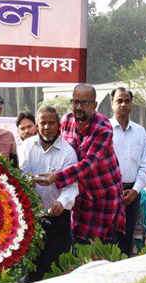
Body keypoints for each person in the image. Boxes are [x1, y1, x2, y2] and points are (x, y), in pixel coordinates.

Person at [37, 84, 125, 245]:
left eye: (84, 103)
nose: (78, 107)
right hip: (79, 194)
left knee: (101, 249)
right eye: (75, 102)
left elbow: (89, 163)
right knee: (78, 245)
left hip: (103, 194)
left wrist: (57, 177)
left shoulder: (103, 128)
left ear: (94, 105)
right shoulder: (66, 120)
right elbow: (56, 147)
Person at [18, 106, 78, 282]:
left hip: (58, 218)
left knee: (56, 268)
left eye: (51, 123)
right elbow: (21, 176)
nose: (47, 127)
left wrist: (61, 202)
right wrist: (26, 181)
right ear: (37, 125)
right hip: (32, 218)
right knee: (32, 268)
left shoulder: (68, 152)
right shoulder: (26, 147)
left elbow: (72, 186)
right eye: (42, 123)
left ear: (58, 125)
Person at [109, 87, 146, 257]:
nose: (123, 104)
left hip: (132, 193)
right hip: (110, 192)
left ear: (131, 104)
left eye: (127, 100)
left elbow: (144, 166)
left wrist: (135, 191)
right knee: (109, 238)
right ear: (112, 104)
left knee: (128, 238)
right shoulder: (105, 129)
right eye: (119, 101)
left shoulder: (140, 131)